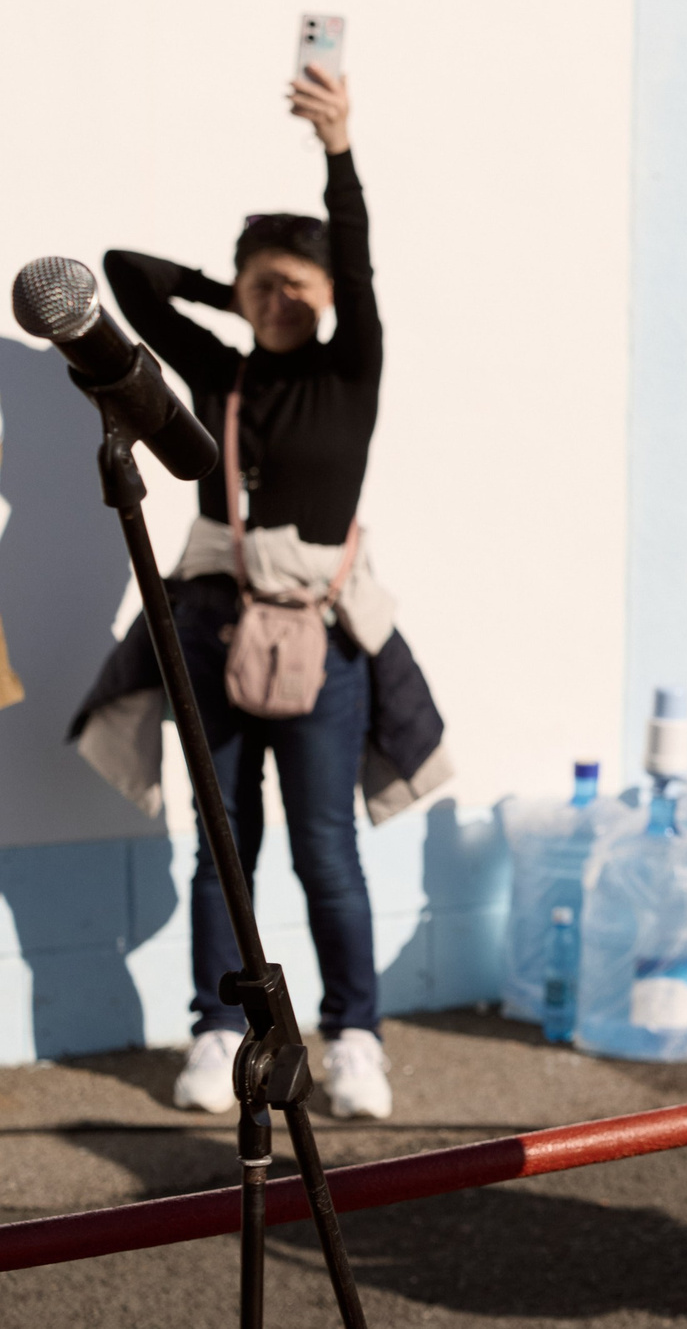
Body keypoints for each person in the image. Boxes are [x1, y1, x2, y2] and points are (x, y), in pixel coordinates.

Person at [88, 66, 432, 1122]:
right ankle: (219, 1028)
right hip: (213, 627)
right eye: (261, 286)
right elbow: (125, 273)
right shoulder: (221, 371)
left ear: (327, 296)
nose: (278, 301)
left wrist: (338, 149)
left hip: (322, 640)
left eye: (296, 286)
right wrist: (224, 287)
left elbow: (358, 264)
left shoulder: (350, 371)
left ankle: (356, 1036)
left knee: (327, 848)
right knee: (223, 848)